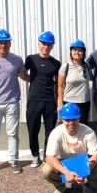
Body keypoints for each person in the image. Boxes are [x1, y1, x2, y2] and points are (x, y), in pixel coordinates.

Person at [0, 29, 29, 176]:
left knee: (13, 133)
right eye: (0, 43)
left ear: (10, 43)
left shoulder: (17, 59)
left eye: (6, 43)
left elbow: (24, 77)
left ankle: (14, 161)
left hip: (12, 102)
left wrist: (43, 79)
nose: (3, 45)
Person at [42, 103, 97, 193]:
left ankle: (88, 184)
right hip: (63, 161)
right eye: (67, 120)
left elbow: (95, 155)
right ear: (62, 119)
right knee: (46, 170)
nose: (71, 122)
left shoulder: (88, 132)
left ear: (79, 118)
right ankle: (60, 187)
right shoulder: (56, 133)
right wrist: (66, 172)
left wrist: (85, 171)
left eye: (74, 119)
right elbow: (50, 157)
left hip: (82, 161)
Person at [25, 31, 61, 168]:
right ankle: (35, 155)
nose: (45, 46)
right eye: (43, 44)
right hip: (34, 100)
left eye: (49, 45)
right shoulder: (31, 59)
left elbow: (58, 84)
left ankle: (47, 155)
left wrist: (57, 102)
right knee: (33, 129)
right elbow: (23, 74)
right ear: (39, 44)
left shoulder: (56, 63)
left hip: (49, 101)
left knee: (50, 131)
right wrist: (33, 81)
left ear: (52, 46)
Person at [58, 39, 93, 125]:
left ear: (83, 53)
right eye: (75, 50)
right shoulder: (65, 67)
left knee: (83, 127)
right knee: (69, 127)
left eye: (80, 50)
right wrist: (61, 104)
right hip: (69, 103)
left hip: (84, 103)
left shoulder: (87, 66)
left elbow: (93, 78)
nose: (77, 52)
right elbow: (60, 86)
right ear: (71, 52)